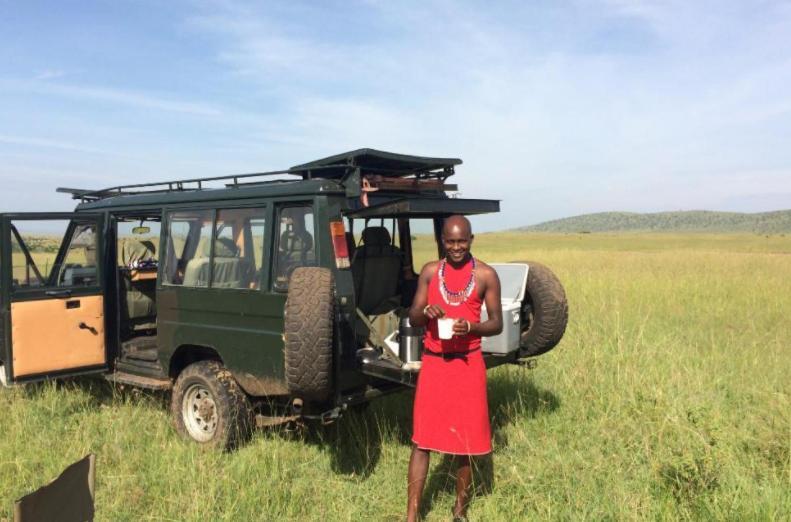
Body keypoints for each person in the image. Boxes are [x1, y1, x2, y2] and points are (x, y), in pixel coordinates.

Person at [406, 215, 503, 522]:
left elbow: (496, 323)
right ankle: (411, 515)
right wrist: (426, 312)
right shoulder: (431, 272)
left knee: (467, 442)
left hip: (468, 364)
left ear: (471, 239)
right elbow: (413, 317)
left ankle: (459, 511)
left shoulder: (486, 274)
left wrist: (472, 327)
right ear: (442, 241)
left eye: (462, 241)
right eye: (451, 241)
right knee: (422, 442)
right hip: (435, 364)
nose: (457, 247)